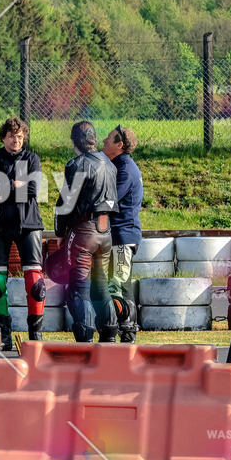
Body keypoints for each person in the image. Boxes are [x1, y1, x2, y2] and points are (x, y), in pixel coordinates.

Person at [54, 121, 119, 343]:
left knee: (78, 285)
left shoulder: (76, 164)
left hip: (83, 232)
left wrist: (60, 231)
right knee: (100, 284)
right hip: (105, 231)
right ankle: (109, 333)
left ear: (74, 141)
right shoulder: (110, 164)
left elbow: (65, 202)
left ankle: (85, 334)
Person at [0, 117, 45, 350]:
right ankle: (3, 337)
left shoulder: (32, 159)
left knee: (36, 283)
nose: (16, 140)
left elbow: (32, 190)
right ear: (3, 137)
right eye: (11, 136)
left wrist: (5, 186)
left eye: (20, 137)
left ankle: (35, 337)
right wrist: (15, 184)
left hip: (29, 224)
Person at [102, 124, 144, 343]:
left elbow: (109, 201)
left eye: (108, 138)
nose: (103, 141)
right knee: (114, 284)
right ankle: (122, 332)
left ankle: (128, 336)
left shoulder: (125, 168)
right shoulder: (119, 165)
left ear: (119, 144)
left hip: (122, 236)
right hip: (118, 236)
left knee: (119, 284)